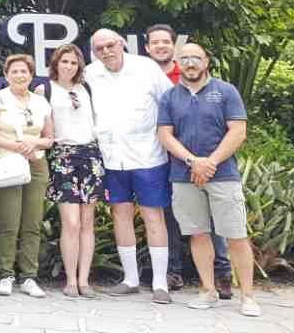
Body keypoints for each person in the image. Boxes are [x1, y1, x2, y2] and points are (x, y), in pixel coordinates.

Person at [157, 43, 260, 317]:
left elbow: (238, 132)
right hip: (183, 175)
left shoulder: (226, 91)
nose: (190, 63)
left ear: (206, 62)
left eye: (196, 58)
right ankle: (208, 291)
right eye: (185, 58)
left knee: (236, 235)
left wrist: (210, 162)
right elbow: (166, 136)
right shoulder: (169, 97)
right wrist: (193, 161)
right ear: (178, 62)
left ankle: (248, 297)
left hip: (223, 174)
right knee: (197, 233)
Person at [85, 28, 174, 304]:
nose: (106, 52)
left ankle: (160, 284)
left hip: (149, 156)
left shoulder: (146, 68)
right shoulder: (90, 73)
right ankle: (130, 279)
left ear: (122, 44)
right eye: (100, 48)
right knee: (120, 215)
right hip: (111, 159)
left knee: (153, 217)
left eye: (110, 45)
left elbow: (170, 102)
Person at [147, 24, 232, 296]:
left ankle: (222, 274)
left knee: (213, 216)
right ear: (147, 47)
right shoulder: (142, 74)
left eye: (165, 42)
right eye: (155, 42)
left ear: (174, 47)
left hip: (204, 158)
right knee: (171, 215)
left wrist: (202, 161)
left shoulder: (188, 72)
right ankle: (174, 272)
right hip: (160, 156)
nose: (160, 46)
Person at [0, 54, 54, 298]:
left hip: (36, 165)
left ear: (31, 75)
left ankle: (29, 277)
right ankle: (5, 275)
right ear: (6, 75)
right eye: (14, 71)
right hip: (7, 163)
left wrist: (32, 143)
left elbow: (49, 138)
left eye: (24, 71)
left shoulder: (41, 102)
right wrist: (16, 146)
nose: (20, 75)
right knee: (9, 222)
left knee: (33, 223)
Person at [42, 43, 104, 298]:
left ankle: (84, 280)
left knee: (87, 222)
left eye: (73, 62)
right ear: (56, 63)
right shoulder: (45, 89)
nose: (68, 66)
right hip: (63, 156)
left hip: (90, 156)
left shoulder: (87, 88)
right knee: (71, 222)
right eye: (64, 61)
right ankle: (70, 280)